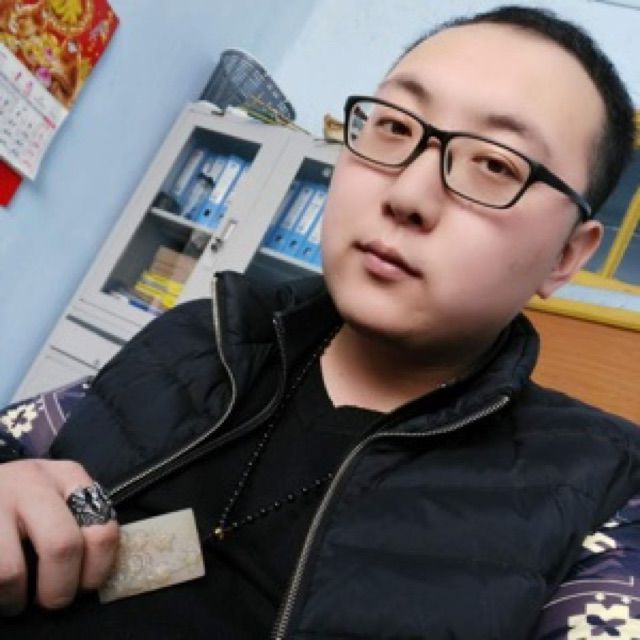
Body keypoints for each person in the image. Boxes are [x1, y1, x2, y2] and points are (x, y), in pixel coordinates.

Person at [1, 4, 639, 638]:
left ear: (567, 255)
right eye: (394, 125)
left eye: (497, 165)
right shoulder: (205, 336)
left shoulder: (603, 487)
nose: (407, 195)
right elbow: (20, 443)